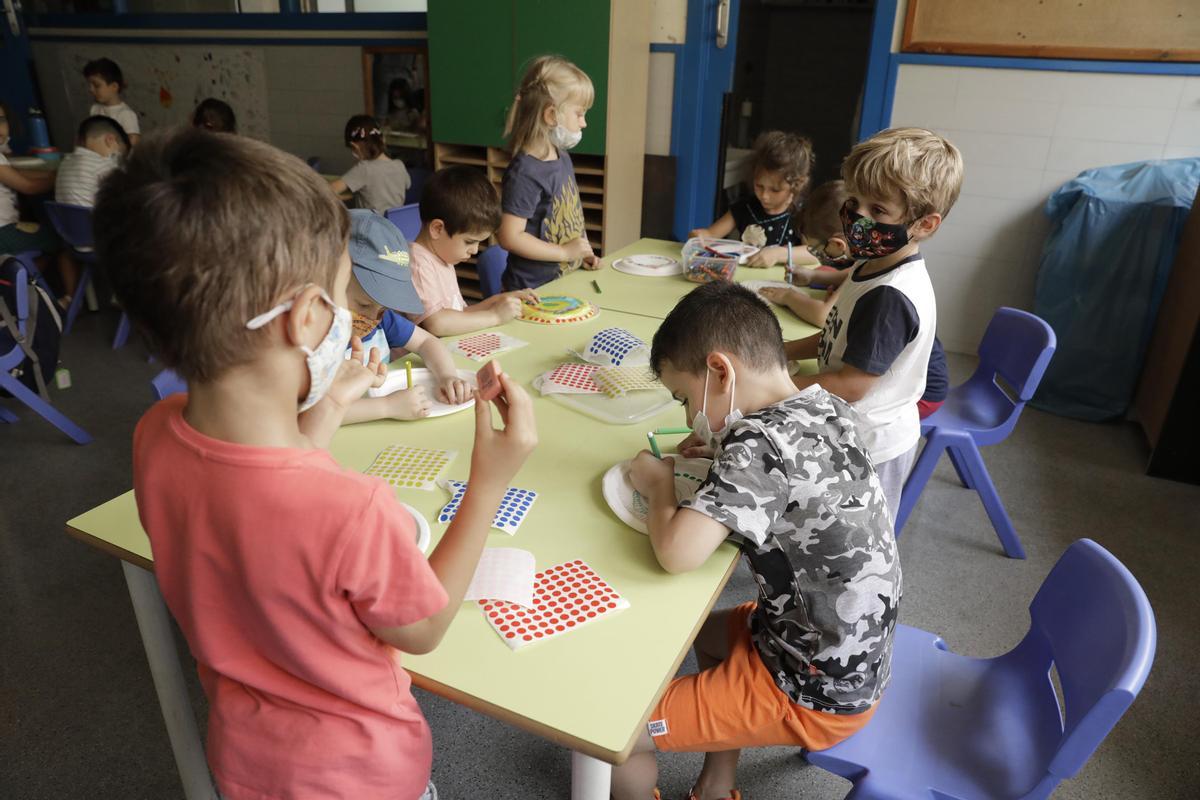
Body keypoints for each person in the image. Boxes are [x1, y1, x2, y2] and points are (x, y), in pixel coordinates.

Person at [94, 126, 537, 800]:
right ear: (305, 319)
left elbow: (253, 489)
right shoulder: (349, 507)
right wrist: (489, 482)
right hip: (362, 774)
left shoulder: (154, 433)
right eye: (344, 296)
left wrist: (330, 409)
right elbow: (423, 628)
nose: (354, 317)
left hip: (246, 759)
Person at [611, 281, 900, 800]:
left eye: (683, 397)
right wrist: (721, 443)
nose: (685, 415)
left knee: (614, 737)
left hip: (811, 687)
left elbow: (679, 553)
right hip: (845, 656)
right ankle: (717, 785)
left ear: (720, 371)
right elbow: (785, 468)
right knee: (706, 632)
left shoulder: (757, 442)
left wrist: (659, 488)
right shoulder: (824, 405)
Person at [785, 127, 963, 520]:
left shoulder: (890, 296)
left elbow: (851, 385)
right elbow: (837, 336)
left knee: (848, 551)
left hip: (871, 447)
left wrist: (778, 386)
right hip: (850, 429)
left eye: (878, 211)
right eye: (854, 201)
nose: (857, 217)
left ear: (924, 224)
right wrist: (780, 352)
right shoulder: (871, 263)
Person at [339, 209, 473, 423]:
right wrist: (386, 407)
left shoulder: (382, 321)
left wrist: (446, 375)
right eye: (363, 304)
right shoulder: (317, 338)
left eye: (382, 309)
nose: (373, 318)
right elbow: (312, 411)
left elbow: (427, 342)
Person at [496, 55, 599, 290]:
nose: (584, 123)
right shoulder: (525, 172)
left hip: (562, 282)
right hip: (534, 291)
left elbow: (567, 217)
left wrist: (580, 255)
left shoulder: (561, 157)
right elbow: (509, 236)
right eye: (579, 113)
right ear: (551, 115)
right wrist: (563, 252)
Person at [407, 165, 536, 336]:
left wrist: (499, 302)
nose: (474, 250)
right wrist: (495, 316)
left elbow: (458, 315)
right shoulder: (418, 264)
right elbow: (437, 323)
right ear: (437, 229)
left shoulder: (441, 256)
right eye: (469, 241)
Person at [688, 131, 813, 268]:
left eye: (775, 190)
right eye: (759, 186)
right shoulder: (746, 207)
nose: (764, 196)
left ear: (797, 185)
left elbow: (814, 253)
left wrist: (778, 254)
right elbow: (711, 234)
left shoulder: (803, 214)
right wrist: (699, 237)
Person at [0, 101, 65, 288]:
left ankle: (19, 283)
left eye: (2, 120)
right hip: (2, 232)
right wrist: (57, 178)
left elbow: (15, 174)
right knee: (56, 239)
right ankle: (23, 285)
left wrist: (50, 174)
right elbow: (28, 187)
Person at [329, 115, 411, 214]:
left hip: (371, 227)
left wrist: (342, 197)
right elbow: (406, 185)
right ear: (383, 140)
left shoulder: (364, 168)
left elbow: (328, 191)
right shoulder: (399, 165)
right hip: (395, 227)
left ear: (355, 146)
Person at [55, 115, 130, 207]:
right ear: (110, 140)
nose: (116, 159)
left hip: (65, 221)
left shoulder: (64, 163)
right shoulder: (101, 165)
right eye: (118, 153)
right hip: (93, 220)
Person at [83, 57, 140, 145]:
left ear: (114, 87)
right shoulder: (94, 109)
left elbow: (133, 143)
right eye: (90, 85)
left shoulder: (126, 114)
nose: (91, 89)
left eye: (96, 85)